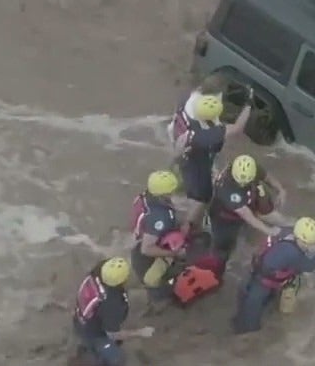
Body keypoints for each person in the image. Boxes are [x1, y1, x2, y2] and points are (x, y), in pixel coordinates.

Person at [232, 217, 315, 335]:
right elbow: (310, 266)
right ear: (302, 241)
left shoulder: (288, 232)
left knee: (254, 300)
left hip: (257, 271)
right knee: (250, 322)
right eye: (313, 243)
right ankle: (246, 333)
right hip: (261, 283)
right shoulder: (292, 253)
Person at [177, 89, 253, 232]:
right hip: (197, 166)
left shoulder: (189, 107)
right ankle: (185, 230)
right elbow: (237, 129)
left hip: (187, 159)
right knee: (201, 199)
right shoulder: (208, 135)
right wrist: (249, 104)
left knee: (192, 190)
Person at [207, 155, 287, 270]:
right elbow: (247, 215)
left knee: (261, 206)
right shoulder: (228, 189)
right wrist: (269, 230)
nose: (243, 184)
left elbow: (266, 176)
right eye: (241, 183)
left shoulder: (250, 168)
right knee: (223, 245)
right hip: (224, 218)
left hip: (245, 201)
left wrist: (280, 189)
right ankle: (218, 266)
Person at [72, 257, 154, 366]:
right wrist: (140, 332)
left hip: (81, 315)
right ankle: (95, 355)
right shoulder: (114, 303)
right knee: (118, 358)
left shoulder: (97, 271)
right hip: (93, 332)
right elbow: (112, 334)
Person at [130, 170, 186, 305]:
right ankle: (160, 300)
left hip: (139, 242)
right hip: (147, 252)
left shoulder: (143, 197)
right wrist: (174, 253)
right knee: (153, 281)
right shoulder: (161, 217)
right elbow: (147, 249)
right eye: (170, 191)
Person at [166, 73, 229, 151]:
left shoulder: (193, 95)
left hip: (176, 129)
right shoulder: (204, 107)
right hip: (191, 136)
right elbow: (224, 130)